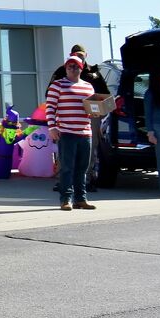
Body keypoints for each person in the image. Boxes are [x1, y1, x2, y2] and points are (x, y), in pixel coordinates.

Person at [44, 53, 98, 210]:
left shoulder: (88, 86)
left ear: (81, 69)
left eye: (76, 66)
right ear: (66, 68)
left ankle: (81, 198)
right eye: (70, 66)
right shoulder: (57, 85)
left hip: (85, 132)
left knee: (82, 168)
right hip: (66, 132)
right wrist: (52, 127)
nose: (73, 69)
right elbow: (50, 108)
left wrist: (96, 112)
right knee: (67, 167)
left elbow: (92, 108)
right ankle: (65, 199)